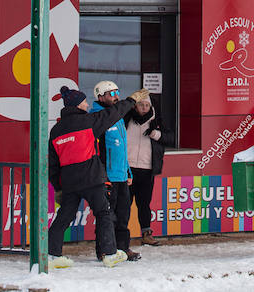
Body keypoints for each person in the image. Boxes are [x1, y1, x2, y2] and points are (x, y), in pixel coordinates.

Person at [47, 85, 149, 269]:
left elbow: (53, 166)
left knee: (63, 217)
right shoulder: (88, 121)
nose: (87, 105)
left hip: (69, 182)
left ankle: (52, 254)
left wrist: (58, 188)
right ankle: (110, 253)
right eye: (84, 102)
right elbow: (114, 113)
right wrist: (132, 100)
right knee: (104, 213)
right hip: (92, 179)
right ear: (77, 105)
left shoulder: (56, 130)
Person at [90, 81, 136, 262]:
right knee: (107, 217)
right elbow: (97, 152)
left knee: (124, 215)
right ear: (101, 97)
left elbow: (121, 149)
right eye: (111, 93)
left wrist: (128, 171)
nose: (116, 96)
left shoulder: (118, 117)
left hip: (121, 176)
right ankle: (104, 250)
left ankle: (122, 249)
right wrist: (103, 175)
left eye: (118, 91)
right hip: (107, 177)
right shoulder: (97, 118)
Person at [125, 90, 171, 247]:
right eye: (141, 105)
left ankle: (146, 234)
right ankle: (121, 235)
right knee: (124, 204)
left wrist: (156, 134)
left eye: (147, 105)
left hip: (147, 169)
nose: (144, 108)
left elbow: (170, 137)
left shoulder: (156, 121)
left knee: (144, 203)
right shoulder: (126, 120)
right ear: (135, 106)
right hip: (128, 168)